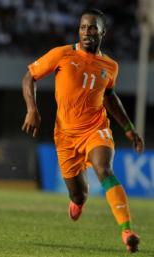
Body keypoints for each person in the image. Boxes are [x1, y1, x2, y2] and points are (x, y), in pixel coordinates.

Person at [21, 9, 144, 253]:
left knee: (104, 169)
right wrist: (32, 109)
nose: (87, 32)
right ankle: (77, 202)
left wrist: (128, 128)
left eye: (92, 28)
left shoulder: (110, 66)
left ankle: (127, 231)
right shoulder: (62, 54)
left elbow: (110, 97)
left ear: (103, 32)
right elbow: (29, 77)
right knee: (79, 196)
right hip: (65, 136)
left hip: (96, 129)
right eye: (83, 27)